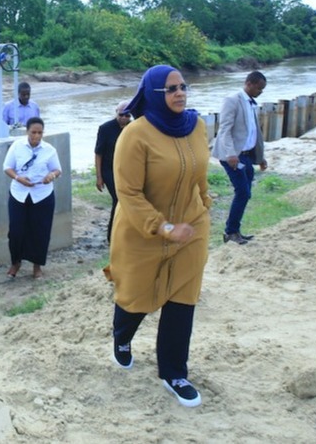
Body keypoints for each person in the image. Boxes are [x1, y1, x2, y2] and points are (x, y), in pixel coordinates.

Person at [103, 65, 212, 408]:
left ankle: (173, 372)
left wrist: (205, 204)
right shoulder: (135, 135)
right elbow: (129, 194)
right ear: (153, 95)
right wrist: (162, 228)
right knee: (135, 295)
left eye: (183, 86)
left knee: (183, 299)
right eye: (171, 89)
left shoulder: (197, 126)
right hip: (142, 232)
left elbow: (199, 171)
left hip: (190, 229)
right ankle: (122, 338)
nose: (180, 93)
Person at [211, 71, 268, 245]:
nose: (261, 92)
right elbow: (225, 129)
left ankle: (235, 231)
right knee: (242, 191)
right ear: (249, 83)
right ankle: (230, 232)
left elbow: (253, 131)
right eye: (259, 88)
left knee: (246, 192)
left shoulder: (251, 103)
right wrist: (230, 154)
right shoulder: (232, 100)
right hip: (233, 157)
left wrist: (261, 157)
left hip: (247, 156)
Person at [3, 116, 63, 279]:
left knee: (41, 231)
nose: (36, 136)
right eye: (33, 132)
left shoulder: (49, 150)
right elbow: (7, 167)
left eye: (40, 133)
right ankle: (15, 263)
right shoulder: (17, 146)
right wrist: (18, 178)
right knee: (16, 231)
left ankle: (37, 267)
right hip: (19, 194)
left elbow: (58, 169)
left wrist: (51, 176)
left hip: (42, 195)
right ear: (27, 131)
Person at [94, 101, 133, 243]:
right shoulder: (105, 128)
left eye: (127, 115)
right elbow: (98, 153)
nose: (124, 117)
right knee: (118, 199)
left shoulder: (133, 128)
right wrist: (99, 177)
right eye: (121, 114)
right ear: (116, 112)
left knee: (130, 199)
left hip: (127, 170)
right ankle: (112, 235)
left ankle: (126, 231)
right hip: (109, 170)